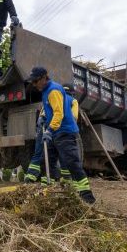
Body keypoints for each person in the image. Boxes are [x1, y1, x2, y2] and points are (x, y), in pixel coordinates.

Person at [27, 66, 96, 204]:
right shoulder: (46, 90)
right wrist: (43, 118)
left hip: (64, 131)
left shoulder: (53, 90)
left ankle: (87, 197)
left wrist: (49, 131)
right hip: (55, 131)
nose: (34, 85)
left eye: (35, 81)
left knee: (72, 163)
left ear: (43, 78)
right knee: (47, 162)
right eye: (32, 82)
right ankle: (49, 191)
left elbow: (59, 114)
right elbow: (51, 110)